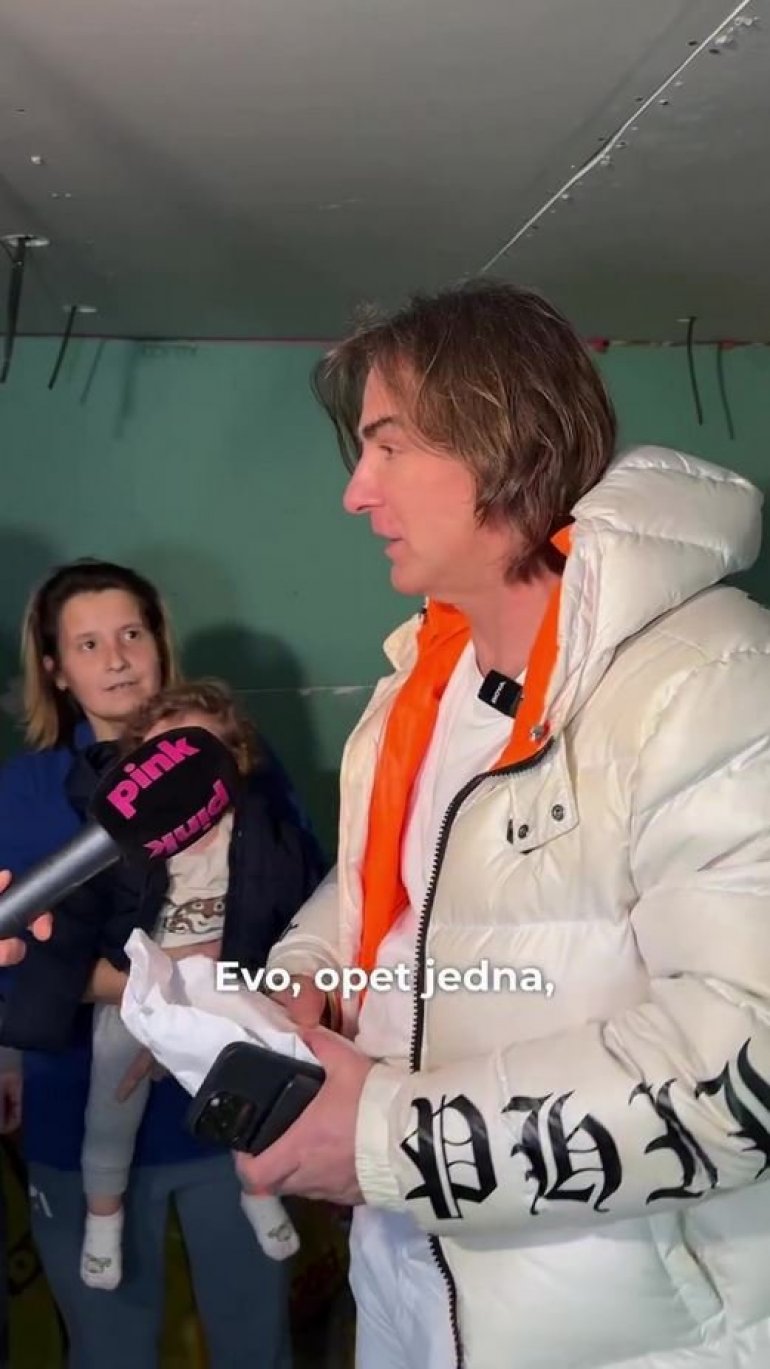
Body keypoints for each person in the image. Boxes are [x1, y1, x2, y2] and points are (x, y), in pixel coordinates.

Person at [235, 281, 770, 1368]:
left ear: (500, 442)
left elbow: (743, 1058)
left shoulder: (714, 676)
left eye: (387, 446)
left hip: (625, 1331)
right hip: (407, 1284)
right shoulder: (423, 680)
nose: (356, 492)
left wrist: (384, 1139)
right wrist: (304, 975)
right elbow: (391, 883)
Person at [0, 558, 323, 1368]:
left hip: (228, 1114)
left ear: (160, 643)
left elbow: (303, 911)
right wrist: (151, 997)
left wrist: (208, 1000)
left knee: (255, 1339)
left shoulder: (241, 765)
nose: (116, 659)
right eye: (88, 643)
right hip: (76, 1111)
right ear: (55, 667)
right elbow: (15, 956)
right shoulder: (24, 792)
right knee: (110, 1345)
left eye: (132, 634)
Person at [77, 681, 302, 1290]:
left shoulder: (252, 832)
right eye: (161, 761)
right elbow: (92, 929)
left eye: (199, 757)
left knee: (255, 1073)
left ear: (235, 761)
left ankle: (259, 1184)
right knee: (112, 1090)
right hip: (140, 987)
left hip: (224, 982)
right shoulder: (129, 843)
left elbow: (282, 904)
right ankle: (103, 1217)